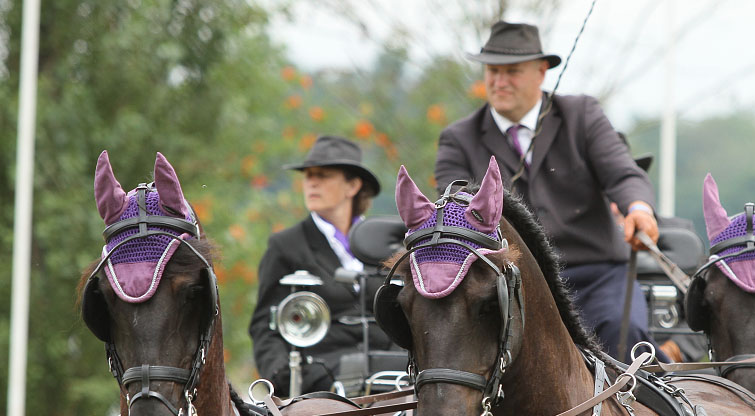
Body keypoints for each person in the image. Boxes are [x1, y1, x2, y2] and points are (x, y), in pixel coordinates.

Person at [434, 21, 671, 361]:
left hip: (599, 274)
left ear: (541, 71)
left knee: (627, 338)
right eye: (493, 71)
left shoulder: (582, 114)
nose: (499, 82)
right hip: (513, 280)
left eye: (511, 71)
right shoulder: (459, 138)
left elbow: (621, 172)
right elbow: (453, 206)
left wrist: (639, 209)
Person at [249, 135, 393, 395]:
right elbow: (265, 326)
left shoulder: (384, 245)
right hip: (321, 384)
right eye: (308, 175)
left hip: (392, 377)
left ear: (352, 186)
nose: (312, 182)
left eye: (323, 175)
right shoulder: (286, 246)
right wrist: (286, 378)